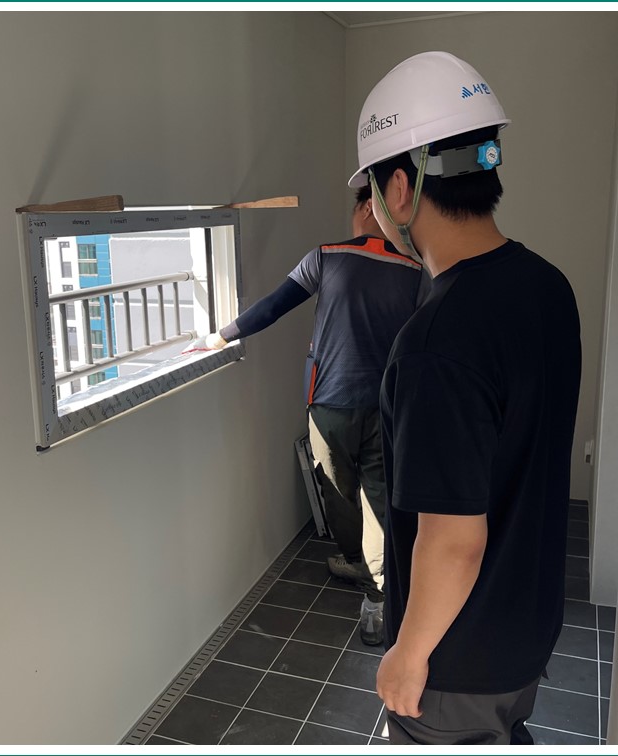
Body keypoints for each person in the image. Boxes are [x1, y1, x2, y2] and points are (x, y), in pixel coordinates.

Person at [347, 51, 582, 744]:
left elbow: (453, 541)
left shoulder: (437, 340)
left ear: (399, 189)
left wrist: (407, 654)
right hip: (526, 625)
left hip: (458, 658)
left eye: (371, 189)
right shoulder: (548, 285)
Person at [186, 186, 424, 645]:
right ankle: (377, 601)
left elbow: (274, 306)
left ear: (365, 209)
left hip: (330, 402)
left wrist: (220, 337)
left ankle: (356, 560)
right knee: (379, 497)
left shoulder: (327, 256)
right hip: (386, 404)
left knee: (338, 491)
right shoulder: (416, 272)